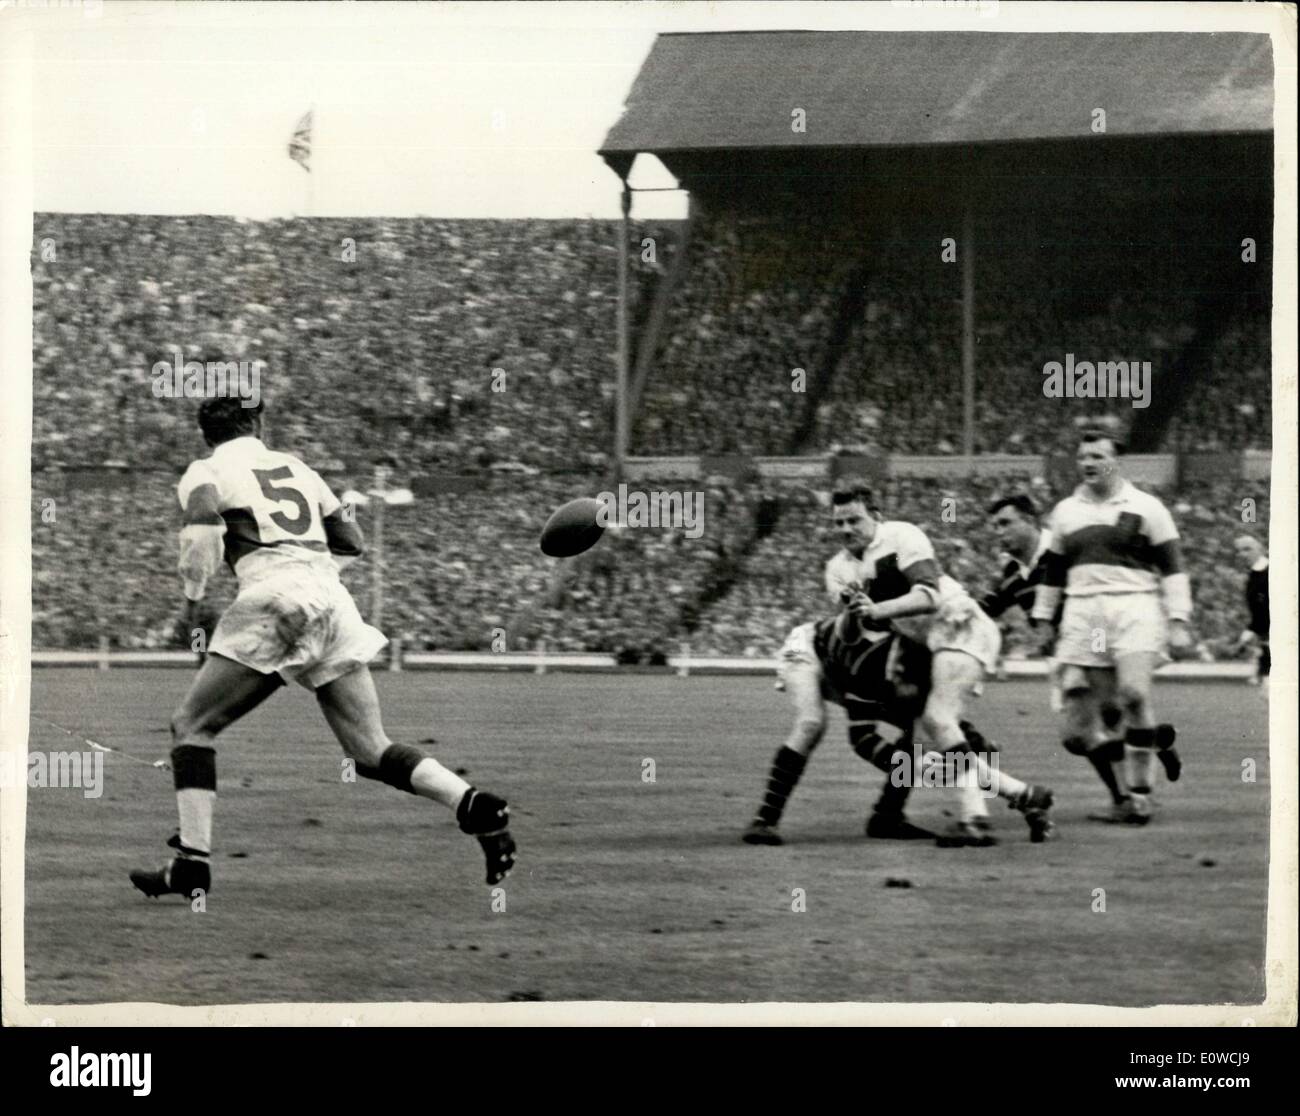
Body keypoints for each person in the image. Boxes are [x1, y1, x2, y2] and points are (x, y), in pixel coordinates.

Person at [130, 397, 516, 899]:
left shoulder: (205, 470)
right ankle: (475, 806)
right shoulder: (297, 467)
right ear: (258, 424)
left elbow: (202, 528)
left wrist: (194, 599)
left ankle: (192, 865)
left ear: (206, 434)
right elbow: (351, 540)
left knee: (192, 727)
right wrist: (313, 577)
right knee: (369, 750)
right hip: (334, 600)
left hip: (276, 596)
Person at [825, 483, 1054, 846]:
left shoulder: (901, 535)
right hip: (928, 644)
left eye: (854, 519)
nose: (846, 529)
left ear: (877, 517)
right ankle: (1025, 796)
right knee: (919, 743)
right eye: (838, 523)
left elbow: (929, 594)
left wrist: (876, 609)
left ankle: (974, 820)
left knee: (937, 720)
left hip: (958, 622)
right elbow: (852, 634)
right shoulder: (837, 569)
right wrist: (854, 616)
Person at [1031, 432, 1190, 825]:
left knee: (1135, 694)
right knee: (1110, 711)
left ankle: (1140, 793)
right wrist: (1042, 618)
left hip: (1134, 605)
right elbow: (1053, 573)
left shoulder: (1147, 507)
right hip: (1087, 613)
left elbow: (1172, 567)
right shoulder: (1066, 511)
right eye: (1082, 456)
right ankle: (1131, 796)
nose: (1088, 462)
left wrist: (1179, 620)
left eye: (1097, 455)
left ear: (1116, 461)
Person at [741, 615, 936, 845]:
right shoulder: (871, 661)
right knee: (812, 722)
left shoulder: (928, 670)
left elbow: (948, 730)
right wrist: (905, 765)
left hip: (843, 668)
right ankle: (764, 821)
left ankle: (887, 818)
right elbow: (861, 738)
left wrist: (984, 772)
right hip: (805, 646)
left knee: (920, 728)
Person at [1233, 534, 1269, 686]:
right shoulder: (1255, 576)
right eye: (1240, 551)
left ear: (1261, 549)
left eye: (1248, 549)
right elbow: (1259, 614)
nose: (1243, 554)